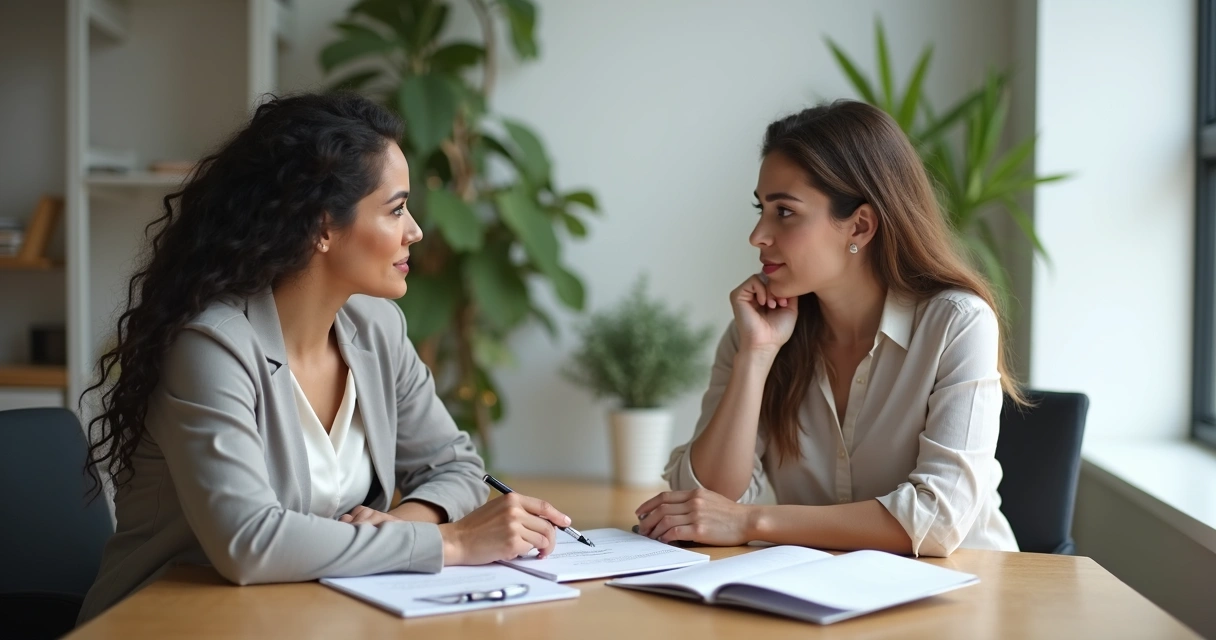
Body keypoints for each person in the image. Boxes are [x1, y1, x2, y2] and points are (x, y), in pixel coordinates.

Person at [78, 93, 570, 623]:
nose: (416, 231)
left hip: (301, 616)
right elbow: (249, 541)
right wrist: (449, 544)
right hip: (171, 623)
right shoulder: (211, 346)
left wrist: (404, 525)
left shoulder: (377, 329)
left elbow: (456, 467)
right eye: (397, 209)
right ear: (322, 227)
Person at [635, 100, 1021, 558]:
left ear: (859, 225)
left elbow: (936, 520)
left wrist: (751, 522)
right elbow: (705, 503)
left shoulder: (958, 323)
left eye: (785, 212)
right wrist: (756, 357)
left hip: (965, 596)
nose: (758, 235)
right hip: (823, 604)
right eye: (761, 209)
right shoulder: (760, 329)